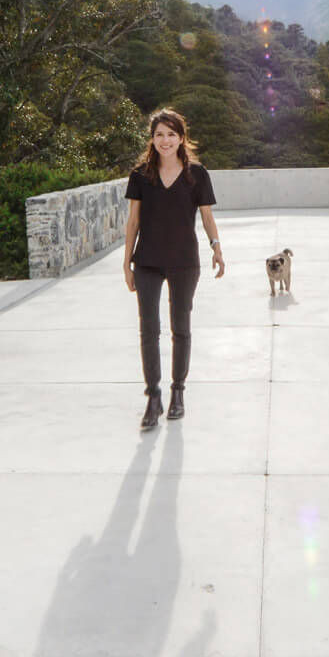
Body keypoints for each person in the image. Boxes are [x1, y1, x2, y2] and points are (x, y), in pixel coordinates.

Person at [122, 108, 224, 430]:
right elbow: (133, 222)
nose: (164, 140)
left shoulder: (197, 174)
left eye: (171, 134)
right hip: (148, 262)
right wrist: (127, 262)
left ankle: (178, 391)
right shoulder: (140, 176)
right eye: (159, 135)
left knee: (181, 328)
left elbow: (207, 217)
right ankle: (153, 397)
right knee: (149, 331)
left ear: (181, 138)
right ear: (152, 139)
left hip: (184, 262)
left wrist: (216, 246)